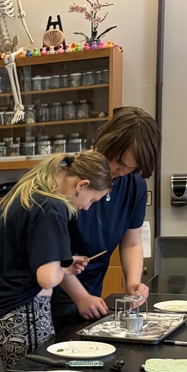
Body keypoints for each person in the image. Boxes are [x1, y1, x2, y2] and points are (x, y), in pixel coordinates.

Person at [0, 151, 112, 369]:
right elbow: (47, 279)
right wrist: (58, 269)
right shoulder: (52, 207)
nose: (87, 207)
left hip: (0, 315)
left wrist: (63, 266)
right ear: (82, 185)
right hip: (20, 315)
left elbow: (30, 259)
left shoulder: (27, 193)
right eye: (92, 199)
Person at [51, 106, 161, 329]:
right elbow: (51, 251)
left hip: (91, 289)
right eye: (119, 163)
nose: (122, 172)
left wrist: (133, 283)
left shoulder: (135, 184)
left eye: (132, 168)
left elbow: (131, 243)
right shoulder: (70, 177)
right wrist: (79, 297)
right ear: (106, 143)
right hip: (53, 286)